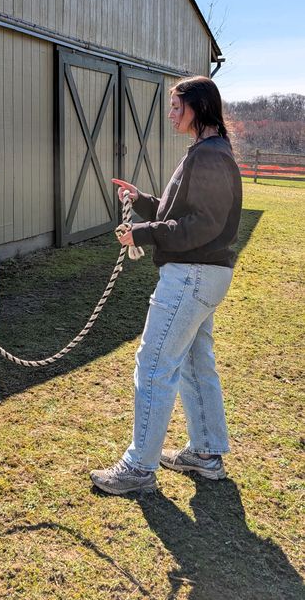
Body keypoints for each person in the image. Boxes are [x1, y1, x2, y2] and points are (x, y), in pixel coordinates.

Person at [90, 75, 242, 495]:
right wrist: (141, 201)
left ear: (199, 108)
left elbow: (201, 225)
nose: (171, 114)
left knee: (154, 364)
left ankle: (139, 466)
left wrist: (143, 233)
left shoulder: (209, 157)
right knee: (194, 362)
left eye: (177, 106)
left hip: (192, 274)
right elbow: (181, 211)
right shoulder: (208, 153)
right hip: (205, 275)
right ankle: (206, 453)